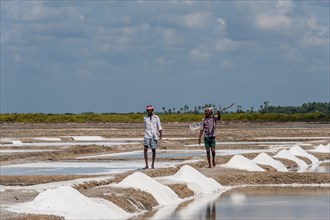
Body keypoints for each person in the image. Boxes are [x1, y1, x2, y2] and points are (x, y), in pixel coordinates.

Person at [143, 105, 162, 169]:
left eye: (150, 110)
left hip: (154, 135)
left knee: (153, 149)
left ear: (152, 110)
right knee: (145, 149)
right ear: (147, 111)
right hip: (147, 135)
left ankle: (153, 164)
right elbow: (145, 127)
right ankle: (146, 165)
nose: (149, 111)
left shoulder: (156, 117)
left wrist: (160, 134)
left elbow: (159, 126)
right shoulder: (145, 118)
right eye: (148, 110)